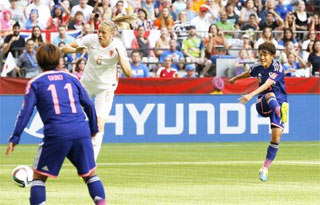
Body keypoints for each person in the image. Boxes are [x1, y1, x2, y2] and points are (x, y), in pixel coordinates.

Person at [5, 43, 106, 205]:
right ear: (59, 60)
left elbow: (26, 113)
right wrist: (93, 129)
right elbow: (89, 104)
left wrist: (15, 137)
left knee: (38, 177)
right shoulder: (72, 78)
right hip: (81, 131)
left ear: (38, 61)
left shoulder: (36, 82)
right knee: (90, 174)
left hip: (57, 133)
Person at [62, 17, 133, 161]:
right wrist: (76, 49)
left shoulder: (118, 46)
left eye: (104, 33)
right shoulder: (90, 39)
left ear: (112, 34)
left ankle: (89, 163)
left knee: (99, 125)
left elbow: (129, 73)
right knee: (69, 115)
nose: (100, 35)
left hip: (105, 88)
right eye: (99, 31)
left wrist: (121, 59)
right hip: (86, 85)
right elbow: (65, 48)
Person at [229, 42, 289, 182]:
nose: (262, 57)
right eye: (260, 54)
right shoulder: (258, 67)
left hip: (279, 101)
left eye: (265, 55)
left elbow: (268, 83)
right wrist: (235, 78)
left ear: (272, 55)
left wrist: (250, 94)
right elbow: (249, 73)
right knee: (269, 95)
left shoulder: (278, 67)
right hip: (263, 103)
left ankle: (264, 169)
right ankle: (280, 112)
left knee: (276, 138)